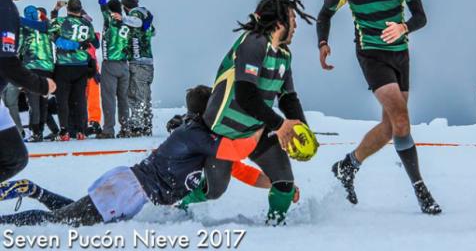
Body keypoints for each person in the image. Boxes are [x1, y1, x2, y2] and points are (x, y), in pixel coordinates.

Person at [0, 85, 287, 226]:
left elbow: (239, 169)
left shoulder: (206, 141)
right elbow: (239, 150)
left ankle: (34, 190)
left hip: (133, 192)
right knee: (61, 223)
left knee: (77, 216)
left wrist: (277, 184)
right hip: (129, 190)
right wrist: (266, 124)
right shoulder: (195, 135)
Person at [316, 0, 439, 214]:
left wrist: (404, 27)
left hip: (400, 54)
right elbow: (325, 14)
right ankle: (421, 191)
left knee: (390, 128)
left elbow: (421, 17)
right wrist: (323, 43)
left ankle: (348, 165)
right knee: (401, 119)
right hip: (371, 55)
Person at [202, 0, 315, 225]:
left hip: (254, 131)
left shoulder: (284, 55)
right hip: (221, 132)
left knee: (284, 183)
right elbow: (245, 95)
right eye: (293, 19)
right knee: (215, 190)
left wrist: (301, 129)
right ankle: (178, 210)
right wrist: (280, 124)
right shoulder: (254, 41)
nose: (296, 25)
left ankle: (275, 230)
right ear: (279, 22)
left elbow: (288, 98)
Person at [0, 0, 55, 182]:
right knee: (13, 157)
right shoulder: (4, 6)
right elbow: (6, 63)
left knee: (14, 156)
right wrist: (43, 85)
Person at [89, 0, 133, 139]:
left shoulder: (109, 19)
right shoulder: (127, 23)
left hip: (111, 64)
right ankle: (126, 128)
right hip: (124, 66)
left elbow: (101, 0)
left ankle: (108, 130)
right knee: (123, 98)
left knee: (108, 98)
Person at [49, 0, 99, 140]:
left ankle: (64, 131)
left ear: (67, 9)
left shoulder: (61, 21)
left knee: (62, 100)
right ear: (80, 9)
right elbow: (95, 43)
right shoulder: (87, 23)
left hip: (63, 66)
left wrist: (55, 9)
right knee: (80, 99)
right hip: (81, 66)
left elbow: (51, 28)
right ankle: (80, 130)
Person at [121, 0, 155, 137]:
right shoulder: (145, 14)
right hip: (148, 62)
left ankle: (137, 126)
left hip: (138, 61)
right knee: (145, 95)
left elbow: (137, 22)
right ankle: (146, 125)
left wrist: (121, 19)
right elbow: (152, 31)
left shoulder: (135, 14)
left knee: (135, 95)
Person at [18, 6, 55, 142]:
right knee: (43, 101)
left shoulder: (24, 29)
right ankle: (41, 129)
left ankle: (36, 132)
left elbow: (19, 48)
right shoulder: (46, 27)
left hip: (32, 67)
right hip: (47, 68)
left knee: (33, 102)